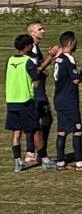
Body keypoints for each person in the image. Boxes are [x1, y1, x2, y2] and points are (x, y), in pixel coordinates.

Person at [8, 35, 45, 172]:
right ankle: (43, 158)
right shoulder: (28, 62)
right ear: (26, 46)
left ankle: (17, 161)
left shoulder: (10, 60)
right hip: (25, 101)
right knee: (35, 129)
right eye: (30, 45)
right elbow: (36, 80)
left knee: (16, 132)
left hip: (12, 100)